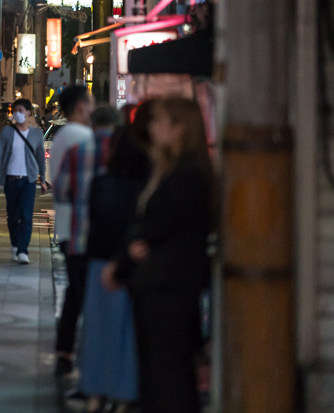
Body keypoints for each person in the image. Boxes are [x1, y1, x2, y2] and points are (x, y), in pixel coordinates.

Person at [103, 99, 212, 413]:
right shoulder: (174, 169)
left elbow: (153, 228)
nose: (152, 127)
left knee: (167, 378)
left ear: (179, 128)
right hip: (164, 286)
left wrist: (123, 265)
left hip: (168, 288)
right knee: (160, 375)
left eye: (160, 121)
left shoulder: (186, 175)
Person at [77, 104, 152, 412]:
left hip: (99, 262)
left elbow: (93, 219)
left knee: (97, 331)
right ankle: (123, 394)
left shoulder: (101, 183)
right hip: (132, 264)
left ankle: (95, 393)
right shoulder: (146, 188)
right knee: (126, 334)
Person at [47, 85, 97, 376]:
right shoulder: (82, 137)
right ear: (80, 107)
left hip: (67, 226)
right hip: (80, 227)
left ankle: (64, 351)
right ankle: (73, 353)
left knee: (74, 292)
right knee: (81, 292)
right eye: (90, 104)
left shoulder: (63, 135)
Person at [0, 98, 47, 264]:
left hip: (28, 180)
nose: (17, 114)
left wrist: (43, 179)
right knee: (12, 217)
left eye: (21, 111)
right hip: (11, 180)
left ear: (28, 113)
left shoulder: (36, 134)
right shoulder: (6, 132)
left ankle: (23, 251)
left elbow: (40, 158)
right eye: (15, 111)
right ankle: (15, 245)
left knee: (26, 216)